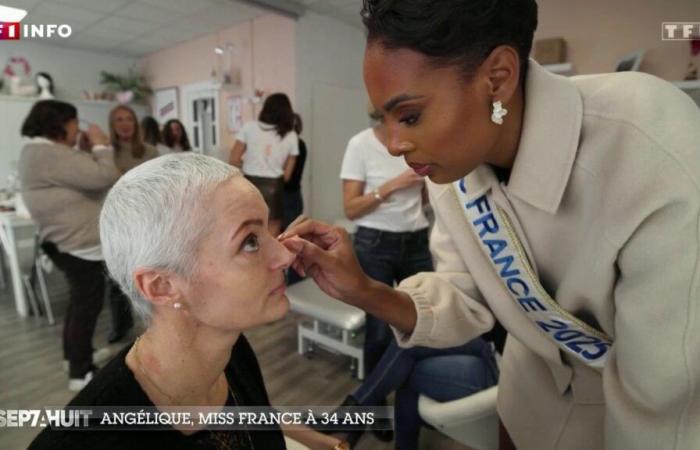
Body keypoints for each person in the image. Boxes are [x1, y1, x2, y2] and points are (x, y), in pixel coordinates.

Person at [279, 1, 700, 449]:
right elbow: (464, 294)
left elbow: (664, 401)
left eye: (410, 116)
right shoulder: (449, 171)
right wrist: (363, 290)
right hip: (524, 411)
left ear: (496, 79)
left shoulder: (650, 145)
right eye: (385, 119)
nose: (396, 145)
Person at [29, 154, 349, 450]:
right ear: (163, 286)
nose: (285, 253)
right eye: (249, 242)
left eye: (266, 229)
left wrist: (327, 444)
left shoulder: (230, 348)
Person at [18, 100, 120, 391]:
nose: (79, 129)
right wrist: (101, 146)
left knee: (79, 305)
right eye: (76, 123)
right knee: (86, 307)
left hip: (67, 242)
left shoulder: (39, 152)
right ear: (61, 124)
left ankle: (75, 356)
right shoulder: (47, 153)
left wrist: (90, 153)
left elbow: (85, 176)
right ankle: (80, 372)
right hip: (76, 245)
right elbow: (104, 176)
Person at [340, 109, 432, 377]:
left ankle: (409, 393)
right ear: (382, 116)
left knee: (421, 321)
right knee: (379, 329)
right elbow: (351, 209)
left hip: (416, 240)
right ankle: (373, 406)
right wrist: (392, 185)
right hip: (375, 243)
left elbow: (424, 197)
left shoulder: (418, 142)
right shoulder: (360, 145)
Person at [332, 336, 499, 449]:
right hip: (490, 342)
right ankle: (354, 410)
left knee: (406, 369)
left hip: (501, 368)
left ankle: (352, 411)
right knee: (409, 339)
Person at [107, 105, 159, 343]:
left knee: (148, 274)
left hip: (146, 221)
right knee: (117, 277)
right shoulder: (106, 153)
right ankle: (120, 325)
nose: (124, 123)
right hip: (117, 222)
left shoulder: (149, 151)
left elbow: (158, 185)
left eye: (129, 119)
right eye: (119, 119)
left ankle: (155, 322)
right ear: (112, 124)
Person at [229, 93, 298, 237]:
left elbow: (233, 159)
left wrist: (249, 163)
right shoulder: (291, 136)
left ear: (265, 108)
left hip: (249, 185)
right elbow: (287, 176)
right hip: (274, 187)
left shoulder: (249, 127)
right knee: (273, 234)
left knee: (247, 229)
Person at [283, 113, 307, 285]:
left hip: (289, 196)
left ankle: (294, 279)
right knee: (292, 237)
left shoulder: (295, 145)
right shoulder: (300, 143)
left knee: (290, 238)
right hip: (294, 195)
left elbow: (287, 176)